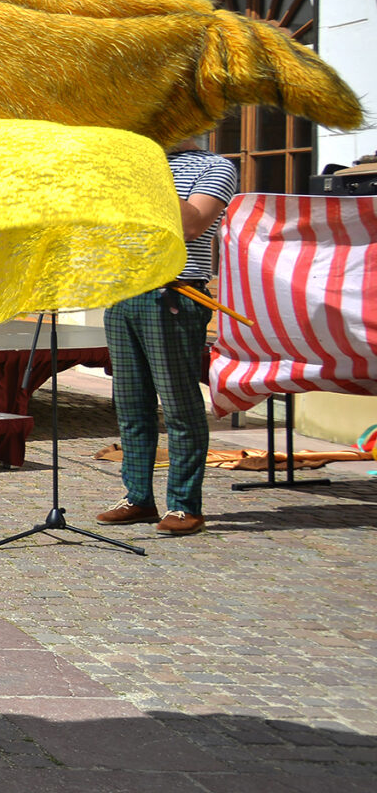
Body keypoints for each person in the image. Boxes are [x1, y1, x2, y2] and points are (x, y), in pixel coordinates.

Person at [100, 139, 240, 537]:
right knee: (131, 406)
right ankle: (139, 498)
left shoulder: (214, 166)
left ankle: (184, 505)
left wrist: (147, 172)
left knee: (179, 407)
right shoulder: (127, 162)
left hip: (174, 293)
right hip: (122, 293)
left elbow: (192, 223)